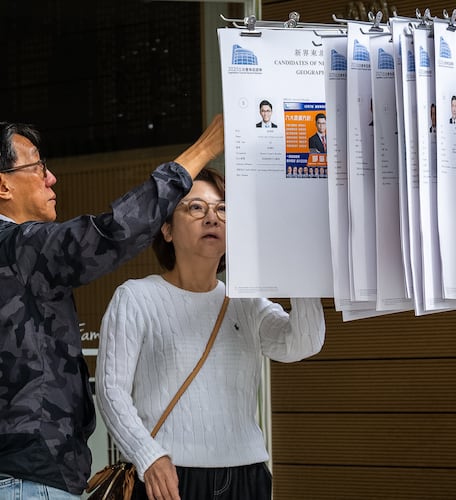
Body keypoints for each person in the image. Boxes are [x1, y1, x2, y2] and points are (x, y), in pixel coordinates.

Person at [0, 115, 224, 499]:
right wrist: (206, 147)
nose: (51, 178)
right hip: (30, 480)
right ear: (4, 183)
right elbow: (112, 232)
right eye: (37, 167)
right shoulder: (19, 247)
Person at [96, 167, 325, 500]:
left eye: (222, 209)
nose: (212, 218)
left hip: (247, 475)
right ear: (167, 230)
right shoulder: (135, 298)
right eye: (195, 208)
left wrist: (302, 272)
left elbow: (303, 343)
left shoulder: (246, 302)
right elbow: (109, 389)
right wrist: (148, 455)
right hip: (168, 476)